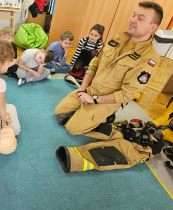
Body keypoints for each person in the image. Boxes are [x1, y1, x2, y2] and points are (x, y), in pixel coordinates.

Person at [54, 1, 164, 172]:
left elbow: (126, 94)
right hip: (89, 91)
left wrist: (94, 99)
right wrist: (83, 89)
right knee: (59, 111)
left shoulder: (149, 59)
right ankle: (86, 115)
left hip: (106, 102)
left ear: (152, 27)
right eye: (134, 15)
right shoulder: (118, 38)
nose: (133, 20)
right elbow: (94, 64)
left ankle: (110, 125)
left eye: (140, 18)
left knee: (72, 128)